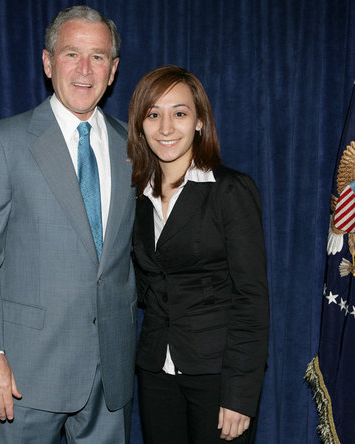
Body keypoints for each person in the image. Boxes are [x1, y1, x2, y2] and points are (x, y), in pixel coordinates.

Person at [0, 6, 137, 443]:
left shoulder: (132, 145)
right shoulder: (1, 142)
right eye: (72, 53)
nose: (84, 69)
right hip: (24, 375)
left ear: (112, 71)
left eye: (98, 57)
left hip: (109, 376)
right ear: (48, 61)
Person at [127, 66, 269, 443]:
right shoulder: (135, 198)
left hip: (219, 377)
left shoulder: (230, 191)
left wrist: (240, 394)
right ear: (141, 125)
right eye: (154, 114)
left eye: (180, 113)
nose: (166, 127)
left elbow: (251, 298)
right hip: (156, 373)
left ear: (200, 122)